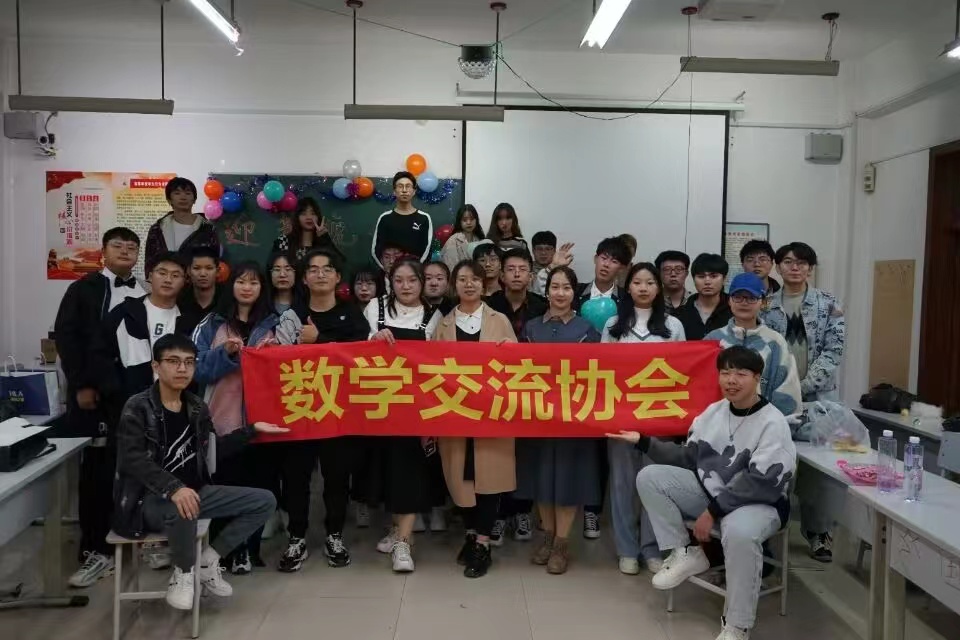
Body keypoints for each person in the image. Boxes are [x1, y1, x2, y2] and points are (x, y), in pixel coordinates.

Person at [609, 345, 796, 640]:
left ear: (757, 378)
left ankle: (737, 625)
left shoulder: (773, 422)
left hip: (760, 503)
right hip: (714, 494)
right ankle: (687, 552)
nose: (731, 380)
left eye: (741, 374)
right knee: (650, 477)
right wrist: (643, 441)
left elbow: (762, 482)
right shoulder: (714, 413)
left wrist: (712, 511)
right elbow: (688, 457)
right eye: (725, 373)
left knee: (739, 532)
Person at [113, 333, 287, 611]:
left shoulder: (196, 406)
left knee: (264, 501)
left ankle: (208, 560)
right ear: (156, 366)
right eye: (173, 361)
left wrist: (252, 431)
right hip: (148, 500)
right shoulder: (137, 407)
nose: (182, 369)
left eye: (189, 362)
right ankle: (183, 572)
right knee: (184, 505)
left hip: (195, 493)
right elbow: (133, 459)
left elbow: (213, 450)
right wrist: (174, 488)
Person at [54, 227, 146, 588]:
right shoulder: (83, 289)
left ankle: (133, 538)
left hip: (132, 398)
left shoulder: (145, 291)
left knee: (134, 469)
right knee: (97, 473)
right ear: (103, 252)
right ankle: (94, 549)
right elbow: (68, 338)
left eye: (131, 247)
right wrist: (82, 385)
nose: (125, 251)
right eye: (118, 246)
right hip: (94, 397)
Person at [273, 249, 369, 571]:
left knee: (337, 477)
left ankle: (334, 535)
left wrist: (320, 339)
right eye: (313, 270)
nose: (320, 274)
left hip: (338, 410)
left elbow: (360, 358)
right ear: (304, 278)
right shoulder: (292, 315)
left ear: (337, 277)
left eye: (327, 269)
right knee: (296, 477)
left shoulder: (352, 314)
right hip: (300, 408)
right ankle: (296, 537)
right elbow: (280, 361)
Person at [192, 260, 280, 573]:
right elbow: (195, 368)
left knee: (259, 485)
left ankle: (250, 551)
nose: (246, 287)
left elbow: (295, 371)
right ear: (231, 286)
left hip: (263, 422)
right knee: (226, 487)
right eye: (241, 281)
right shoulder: (211, 324)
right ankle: (223, 552)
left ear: (262, 288)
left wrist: (274, 355)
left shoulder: (276, 323)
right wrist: (225, 354)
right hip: (221, 422)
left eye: (253, 282)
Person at [433, 260, 518, 578]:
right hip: (455, 414)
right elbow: (429, 369)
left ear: (485, 285)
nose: (469, 284)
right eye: (463, 279)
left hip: (492, 414)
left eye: (475, 279)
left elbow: (519, 367)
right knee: (460, 478)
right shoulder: (443, 324)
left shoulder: (500, 320)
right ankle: (471, 535)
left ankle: (483, 543)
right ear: (454, 285)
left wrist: (512, 351)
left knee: (489, 479)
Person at [601, 262, 686, 575]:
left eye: (650, 282)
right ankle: (626, 549)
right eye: (637, 282)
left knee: (654, 484)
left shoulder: (673, 326)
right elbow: (601, 371)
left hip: (659, 418)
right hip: (621, 417)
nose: (644, 288)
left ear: (658, 288)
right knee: (622, 484)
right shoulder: (613, 325)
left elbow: (684, 371)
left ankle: (652, 548)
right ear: (629, 287)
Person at [516, 266, 602, 574]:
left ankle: (562, 544)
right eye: (555, 287)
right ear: (547, 291)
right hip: (538, 416)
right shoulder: (531, 328)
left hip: (572, 418)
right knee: (541, 478)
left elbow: (597, 373)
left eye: (566, 287)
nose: (560, 293)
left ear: (573, 292)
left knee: (568, 480)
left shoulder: (587, 329)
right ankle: (548, 537)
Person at [762, 242, 845, 563]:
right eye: (787, 262)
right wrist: (784, 390)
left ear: (810, 268)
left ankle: (818, 532)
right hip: (776, 400)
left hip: (820, 400)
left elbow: (834, 351)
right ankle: (770, 531)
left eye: (801, 263)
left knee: (819, 470)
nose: (794, 267)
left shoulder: (828, 304)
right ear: (778, 267)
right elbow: (764, 351)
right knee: (775, 463)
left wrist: (803, 386)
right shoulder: (766, 305)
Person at [363, 258, 442, 573]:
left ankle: (404, 543)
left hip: (416, 408)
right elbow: (355, 351)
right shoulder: (375, 308)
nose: (406, 286)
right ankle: (397, 529)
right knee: (388, 471)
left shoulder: (434, 317)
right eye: (399, 280)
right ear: (389, 282)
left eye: (412, 280)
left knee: (409, 471)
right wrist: (373, 340)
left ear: (422, 282)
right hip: (380, 405)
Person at [484, 248, 548, 544]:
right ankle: (498, 515)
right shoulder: (488, 305)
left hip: (531, 389)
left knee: (526, 454)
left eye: (522, 269)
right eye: (511, 269)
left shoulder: (542, 306)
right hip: (495, 390)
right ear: (501, 275)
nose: (517, 274)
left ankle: (522, 511)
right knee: (498, 454)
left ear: (531, 276)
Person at [96, 251, 190, 417]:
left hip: (176, 406)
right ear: (150, 276)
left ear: (184, 281)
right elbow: (100, 353)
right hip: (129, 406)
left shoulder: (190, 321)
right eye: (162, 273)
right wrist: (112, 391)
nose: (168, 279)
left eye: (176, 275)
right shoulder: (125, 312)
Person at [705, 273, 802, 418]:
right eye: (738, 297)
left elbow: (787, 389)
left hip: (764, 425)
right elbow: (702, 386)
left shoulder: (775, 342)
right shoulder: (713, 340)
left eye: (751, 298)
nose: (744, 303)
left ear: (762, 302)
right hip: (719, 424)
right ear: (729, 301)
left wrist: (776, 424)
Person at [145, 177, 220, 266]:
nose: (183, 197)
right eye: (177, 193)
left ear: (194, 199)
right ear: (169, 200)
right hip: (167, 274)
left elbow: (214, 262)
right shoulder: (157, 229)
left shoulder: (208, 229)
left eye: (188, 193)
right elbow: (149, 262)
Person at [371, 172, 434, 267]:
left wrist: (413, 271)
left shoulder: (424, 218)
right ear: (394, 191)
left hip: (415, 272)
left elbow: (427, 250)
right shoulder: (385, 218)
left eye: (408, 186)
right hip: (389, 272)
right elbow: (376, 250)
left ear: (414, 191)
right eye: (400, 186)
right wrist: (388, 270)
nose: (404, 190)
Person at [675, 253, 732, 341]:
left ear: (724, 279)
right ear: (694, 279)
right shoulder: (679, 314)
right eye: (701, 276)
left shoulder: (735, 310)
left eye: (713, 276)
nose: (707, 281)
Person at [272, 196, 344, 263]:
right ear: (297, 217)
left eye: (313, 213)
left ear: (318, 217)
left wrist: (324, 238)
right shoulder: (283, 241)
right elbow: (274, 266)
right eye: (303, 213)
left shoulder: (323, 241)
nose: (309, 217)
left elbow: (340, 262)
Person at [177, 246, 223, 336]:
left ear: (217, 271)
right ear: (188, 271)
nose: (203, 274)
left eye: (209, 268)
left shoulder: (228, 299)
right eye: (197, 268)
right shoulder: (179, 299)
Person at [441, 204, 485, 271]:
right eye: (464, 220)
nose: (469, 222)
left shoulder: (479, 239)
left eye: (472, 219)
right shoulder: (453, 241)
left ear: (476, 220)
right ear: (460, 222)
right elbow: (451, 267)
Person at [655, 250, 691, 314]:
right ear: (659, 273)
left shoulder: (696, 301)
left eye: (679, 269)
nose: (673, 274)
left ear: (686, 273)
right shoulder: (652, 301)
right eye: (667, 269)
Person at [264, 251, 300, 316]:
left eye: (288, 269)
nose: (282, 275)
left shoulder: (305, 305)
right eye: (277, 269)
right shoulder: (261, 305)